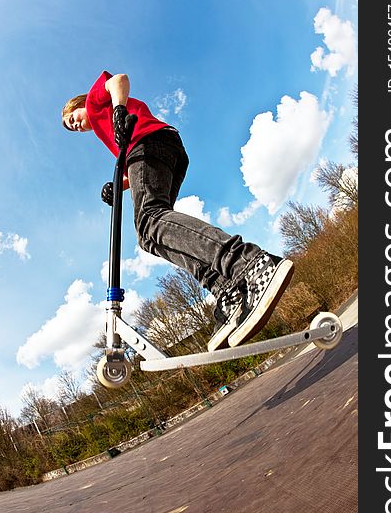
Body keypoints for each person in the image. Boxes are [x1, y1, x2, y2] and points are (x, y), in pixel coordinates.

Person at [62, 70, 294, 352]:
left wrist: (119, 109)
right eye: (71, 129)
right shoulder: (106, 131)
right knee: (149, 238)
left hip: (150, 144)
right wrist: (117, 185)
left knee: (150, 219)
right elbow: (137, 174)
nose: (74, 126)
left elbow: (118, 80)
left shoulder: (96, 105)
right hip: (156, 151)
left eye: (71, 119)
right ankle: (228, 289)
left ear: (78, 105)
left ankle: (249, 262)